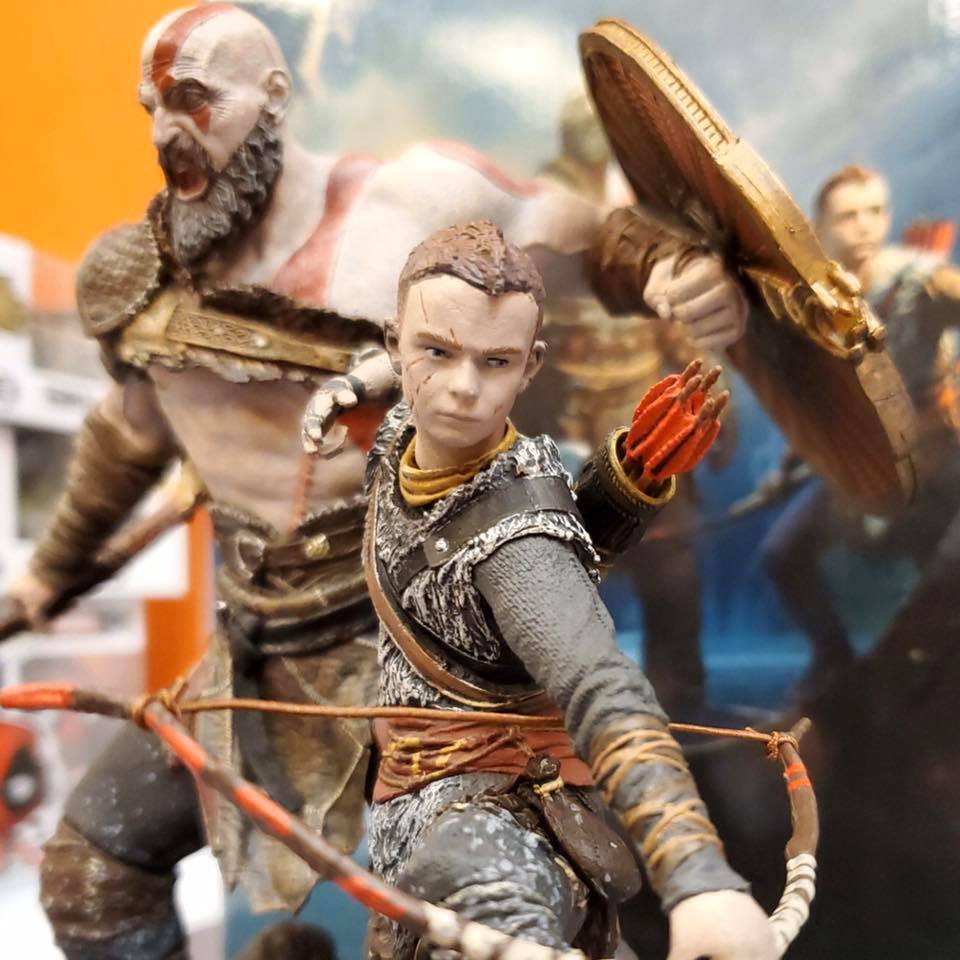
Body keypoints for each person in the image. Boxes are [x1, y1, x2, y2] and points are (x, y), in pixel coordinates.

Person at [0, 7, 751, 958]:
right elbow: (132, 435)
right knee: (92, 875)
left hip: (429, 655)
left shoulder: (412, 203)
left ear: (273, 95)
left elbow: (585, 237)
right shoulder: (137, 279)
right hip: (259, 652)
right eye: (153, 107)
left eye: (195, 99)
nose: (168, 133)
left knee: (474, 916)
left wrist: (674, 271)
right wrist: (44, 578)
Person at [363, 221, 773, 960]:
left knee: (479, 895)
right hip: (400, 787)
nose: (461, 387)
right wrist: (347, 387)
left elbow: (600, 686)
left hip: (499, 818)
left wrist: (696, 876)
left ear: (530, 368)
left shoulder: (519, 543)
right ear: (396, 345)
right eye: (437, 352)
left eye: (495, 361)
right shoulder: (398, 432)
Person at [759, 164, 960, 698]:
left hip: (936, 472)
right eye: (848, 216)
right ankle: (834, 661)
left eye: (875, 211)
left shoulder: (921, 283)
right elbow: (820, 404)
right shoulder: (813, 303)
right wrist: (787, 469)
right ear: (821, 227)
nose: (865, 225)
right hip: (866, 468)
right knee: (784, 554)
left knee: (940, 579)